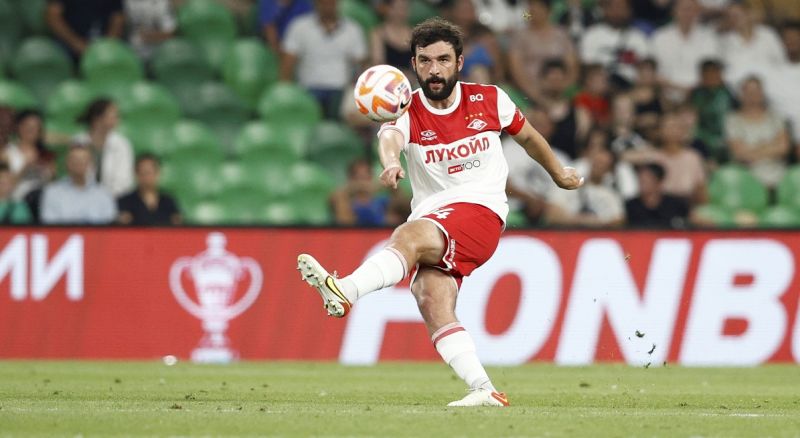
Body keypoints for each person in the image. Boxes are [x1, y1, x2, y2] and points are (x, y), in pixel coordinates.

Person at [297, 18, 582, 407]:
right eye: (425, 61)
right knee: (430, 297)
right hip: (435, 215)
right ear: (414, 65)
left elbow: (529, 137)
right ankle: (484, 389)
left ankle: (345, 290)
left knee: (408, 237)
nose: (434, 70)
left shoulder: (490, 99)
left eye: (443, 60)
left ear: (459, 62)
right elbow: (390, 138)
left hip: (481, 210)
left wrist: (559, 174)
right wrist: (390, 162)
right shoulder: (405, 108)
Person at [280, 0, 367, 119]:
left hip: (340, 88)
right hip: (308, 88)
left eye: (331, 3)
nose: (327, 5)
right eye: (323, 2)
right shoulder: (299, 27)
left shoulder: (352, 29)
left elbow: (361, 64)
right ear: (316, 4)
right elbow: (288, 63)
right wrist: (286, 92)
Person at [508, 0, 579, 104]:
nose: (533, 12)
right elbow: (516, 70)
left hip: (561, 90)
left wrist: (563, 90)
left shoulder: (561, 35)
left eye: (538, 9)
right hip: (529, 92)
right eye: (531, 9)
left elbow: (572, 66)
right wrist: (536, 96)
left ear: (548, 11)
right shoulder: (520, 37)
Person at [724, 76, 790, 189]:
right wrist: (769, 146)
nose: (753, 95)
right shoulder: (732, 120)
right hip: (745, 177)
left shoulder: (775, 117)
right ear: (741, 95)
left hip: (778, 175)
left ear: (762, 93)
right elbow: (740, 153)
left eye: (756, 91)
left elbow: (783, 147)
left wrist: (752, 149)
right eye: (748, 92)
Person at [545, 141, 625, 227]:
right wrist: (583, 220)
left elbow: (618, 221)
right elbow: (551, 214)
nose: (599, 166)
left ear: (609, 170)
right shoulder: (570, 184)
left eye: (603, 164)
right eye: (597, 162)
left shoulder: (611, 195)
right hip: (566, 232)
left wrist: (594, 222)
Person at [651, 0, 719, 97]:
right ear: (674, 11)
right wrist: (679, 89)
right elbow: (653, 72)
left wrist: (693, 91)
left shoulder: (709, 37)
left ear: (698, 12)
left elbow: (712, 71)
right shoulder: (660, 37)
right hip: (666, 94)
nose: (687, 13)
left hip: (701, 95)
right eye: (683, 9)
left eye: (691, 9)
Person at [579, 0, 651, 88]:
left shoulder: (638, 37)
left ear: (629, 11)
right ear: (605, 10)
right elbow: (587, 66)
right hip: (600, 88)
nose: (617, 12)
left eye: (622, 8)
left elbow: (646, 67)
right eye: (613, 7)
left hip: (631, 87)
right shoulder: (591, 35)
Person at [40, 145, 117, 224]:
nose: (79, 163)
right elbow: (50, 225)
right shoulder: (52, 192)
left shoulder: (104, 193)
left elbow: (110, 225)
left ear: (91, 164)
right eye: (75, 160)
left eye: (83, 160)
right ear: (67, 163)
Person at [74, 99, 135, 197]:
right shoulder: (78, 141)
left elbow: (124, 181)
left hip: (115, 198)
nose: (117, 119)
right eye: (113, 115)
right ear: (97, 119)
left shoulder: (122, 144)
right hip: (81, 197)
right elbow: (74, 175)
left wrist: (104, 200)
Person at [720, 1, 787, 85]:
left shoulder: (768, 34)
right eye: (730, 16)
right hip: (739, 87)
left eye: (737, 15)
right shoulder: (724, 41)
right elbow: (725, 72)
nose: (734, 19)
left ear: (748, 14)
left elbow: (781, 62)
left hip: (771, 84)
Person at [538, 59, 592, 159]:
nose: (555, 84)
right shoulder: (533, 113)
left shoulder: (580, 114)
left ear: (565, 81)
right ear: (543, 81)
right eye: (551, 80)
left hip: (569, 163)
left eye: (558, 80)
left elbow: (583, 146)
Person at [2, 110, 56, 201]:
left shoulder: (45, 154)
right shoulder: (7, 153)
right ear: (18, 127)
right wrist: (25, 169)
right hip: (17, 201)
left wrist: (49, 173)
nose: (31, 130)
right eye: (28, 126)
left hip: (43, 200)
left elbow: (52, 183)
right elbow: (4, 186)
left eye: (35, 127)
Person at [688, 59, 737, 160]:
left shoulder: (728, 93)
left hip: (727, 139)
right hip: (701, 140)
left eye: (715, 72)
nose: (711, 76)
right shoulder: (696, 94)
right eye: (707, 73)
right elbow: (691, 117)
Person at [45, 0, 125, 61]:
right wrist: (78, 45)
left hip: (104, 42)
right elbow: (53, 17)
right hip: (70, 42)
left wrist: (107, 45)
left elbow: (118, 18)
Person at [117, 154, 181, 225]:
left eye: (149, 172)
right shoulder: (125, 202)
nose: (146, 177)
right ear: (136, 174)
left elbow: (177, 224)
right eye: (142, 173)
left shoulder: (168, 202)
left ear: (157, 173)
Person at [330, 158, 394, 226]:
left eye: (367, 175)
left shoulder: (382, 201)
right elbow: (343, 221)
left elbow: (400, 203)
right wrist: (357, 187)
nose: (364, 181)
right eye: (360, 176)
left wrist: (386, 184)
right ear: (351, 178)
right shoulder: (344, 201)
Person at [625, 162, 689, 228]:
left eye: (647, 179)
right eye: (640, 179)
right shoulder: (630, 206)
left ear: (659, 182)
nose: (642, 183)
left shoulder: (676, 205)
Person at [370, 0, 414, 77]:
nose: (401, 12)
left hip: (411, 80)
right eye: (397, 8)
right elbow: (378, 63)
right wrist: (400, 75)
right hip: (386, 78)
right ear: (388, 9)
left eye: (404, 8)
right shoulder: (379, 34)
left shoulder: (414, 34)